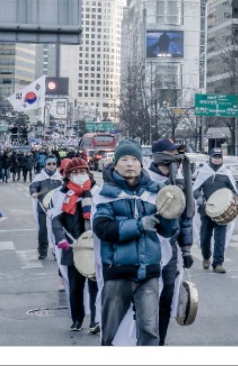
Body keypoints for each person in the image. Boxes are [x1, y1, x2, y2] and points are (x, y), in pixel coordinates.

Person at [93, 139, 178, 346]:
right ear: (115, 165)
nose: (130, 164)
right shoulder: (105, 194)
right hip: (117, 272)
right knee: (111, 332)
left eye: (134, 159)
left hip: (148, 272)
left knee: (149, 330)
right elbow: (103, 228)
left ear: (141, 164)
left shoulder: (156, 192)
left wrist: (171, 213)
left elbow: (167, 232)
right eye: (124, 159)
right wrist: (139, 225)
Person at [146, 137, 194, 345]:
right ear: (160, 157)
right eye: (172, 154)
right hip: (147, 248)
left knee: (167, 297)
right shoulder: (145, 180)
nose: (177, 158)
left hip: (170, 250)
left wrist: (186, 248)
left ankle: (160, 342)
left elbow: (185, 218)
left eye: (177, 154)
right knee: (147, 299)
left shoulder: (179, 182)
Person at [49, 158, 100, 333]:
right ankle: (77, 319)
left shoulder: (97, 192)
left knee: (95, 285)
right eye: (75, 172)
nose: (79, 175)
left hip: (93, 245)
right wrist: (60, 238)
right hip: (72, 245)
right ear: (68, 176)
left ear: (88, 172)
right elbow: (55, 219)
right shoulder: (61, 194)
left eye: (82, 171)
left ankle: (96, 319)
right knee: (75, 286)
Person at [193, 147, 238, 274]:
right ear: (210, 158)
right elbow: (195, 189)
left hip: (222, 212)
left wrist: (231, 200)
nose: (217, 159)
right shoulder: (203, 172)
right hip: (206, 211)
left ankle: (218, 263)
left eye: (219, 157)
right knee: (205, 238)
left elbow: (234, 191)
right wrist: (199, 197)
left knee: (220, 238)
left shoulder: (226, 173)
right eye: (215, 157)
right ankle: (206, 256)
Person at [29, 155, 64, 260]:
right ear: (45, 165)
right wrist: (34, 192)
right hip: (43, 209)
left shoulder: (59, 178)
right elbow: (33, 186)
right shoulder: (40, 177)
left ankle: (56, 251)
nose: (51, 166)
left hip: (56, 210)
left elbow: (65, 189)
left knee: (56, 230)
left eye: (54, 164)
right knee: (43, 230)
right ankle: (42, 251)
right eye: (49, 164)